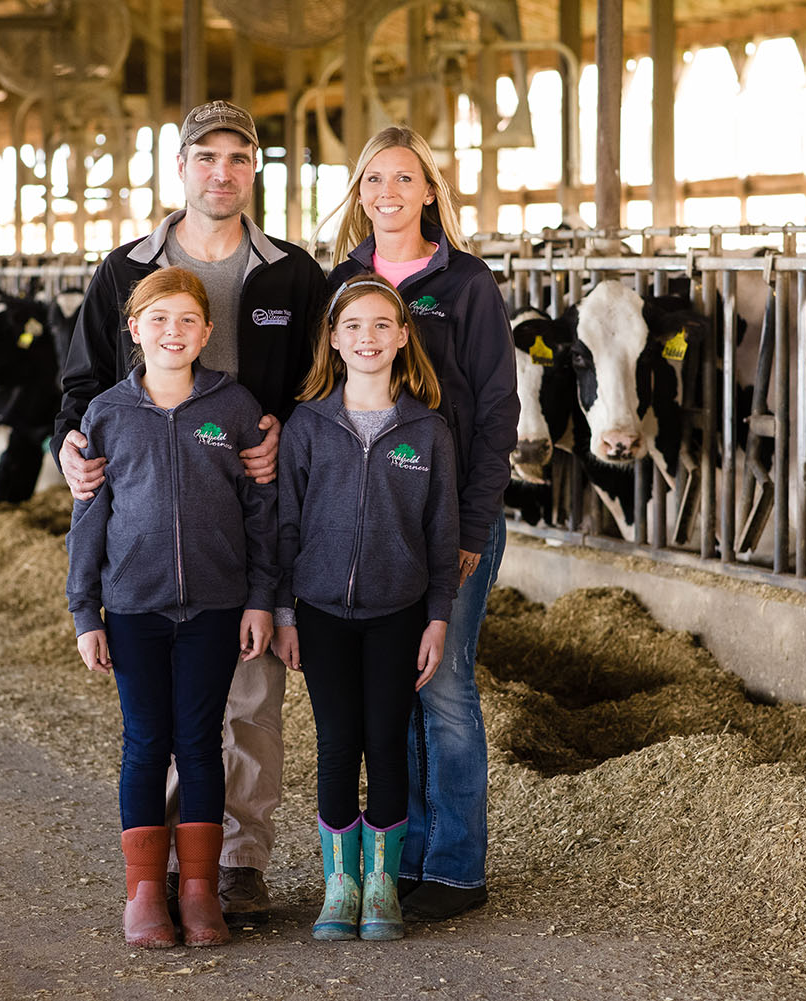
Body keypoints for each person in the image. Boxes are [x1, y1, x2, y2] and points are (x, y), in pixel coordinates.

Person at [55, 99, 328, 924]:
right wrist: (67, 443)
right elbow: (80, 388)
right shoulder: (122, 270)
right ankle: (171, 860)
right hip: (146, 513)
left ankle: (238, 860)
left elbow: (326, 377)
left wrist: (290, 423)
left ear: (255, 170)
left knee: (250, 694)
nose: (222, 172)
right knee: (169, 713)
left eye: (239, 158)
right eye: (206, 157)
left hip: (250, 505)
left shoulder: (291, 272)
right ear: (180, 167)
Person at [315, 126, 518, 921]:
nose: (388, 192)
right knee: (390, 694)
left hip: (451, 521)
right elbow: (322, 389)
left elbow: (498, 407)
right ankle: (402, 860)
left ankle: (459, 867)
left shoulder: (465, 283)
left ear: (430, 190)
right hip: (375, 526)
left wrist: (472, 524)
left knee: (448, 687)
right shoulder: (342, 281)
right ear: (359, 191)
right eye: (374, 179)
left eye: (405, 178)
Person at [66, 267, 277, 948]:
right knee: (145, 744)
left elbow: (261, 512)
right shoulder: (106, 413)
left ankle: (199, 891)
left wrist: (261, 598)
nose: (173, 332)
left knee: (201, 743)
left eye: (188, 320)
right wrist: (85, 612)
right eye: (158, 319)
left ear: (208, 332)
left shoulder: (233, 407)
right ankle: (142, 894)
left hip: (216, 608)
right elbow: (89, 517)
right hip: (132, 609)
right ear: (134, 330)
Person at [272, 273, 459, 941]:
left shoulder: (427, 430)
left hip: (398, 611)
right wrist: (285, 612)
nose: (368, 337)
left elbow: (442, 532)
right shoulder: (308, 424)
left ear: (404, 336)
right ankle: (339, 884)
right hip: (320, 610)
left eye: (382, 324)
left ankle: (382, 883)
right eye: (353, 326)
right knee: (335, 741)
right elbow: (284, 525)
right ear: (333, 338)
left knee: (386, 740)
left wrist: (437, 614)